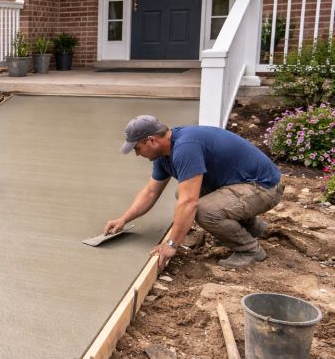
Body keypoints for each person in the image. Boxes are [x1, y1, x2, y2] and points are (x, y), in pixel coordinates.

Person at [104, 115, 283, 269]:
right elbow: (151, 192)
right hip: (241, 183)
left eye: (137, 148)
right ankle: (252, 227)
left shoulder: (185, 148)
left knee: (203, 210)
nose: (137, 154)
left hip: (264, 187)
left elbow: (189, 203)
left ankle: (250, 250)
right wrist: (124, 219)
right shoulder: (164, 154)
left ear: (151, 140)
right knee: (181, 194)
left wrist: (172, 243)